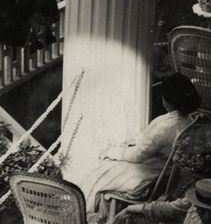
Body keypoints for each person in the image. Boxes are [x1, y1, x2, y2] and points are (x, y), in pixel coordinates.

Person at [80, 73, 201, 214]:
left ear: (168, 100)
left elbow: (136, 156)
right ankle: (96, 211)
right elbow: (149, 143)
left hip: (152, 175)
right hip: (164, 168)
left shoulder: (166, 128)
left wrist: (112, 152)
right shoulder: (187, 119)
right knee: (108, 164)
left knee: (100, 172)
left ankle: (88, 213)